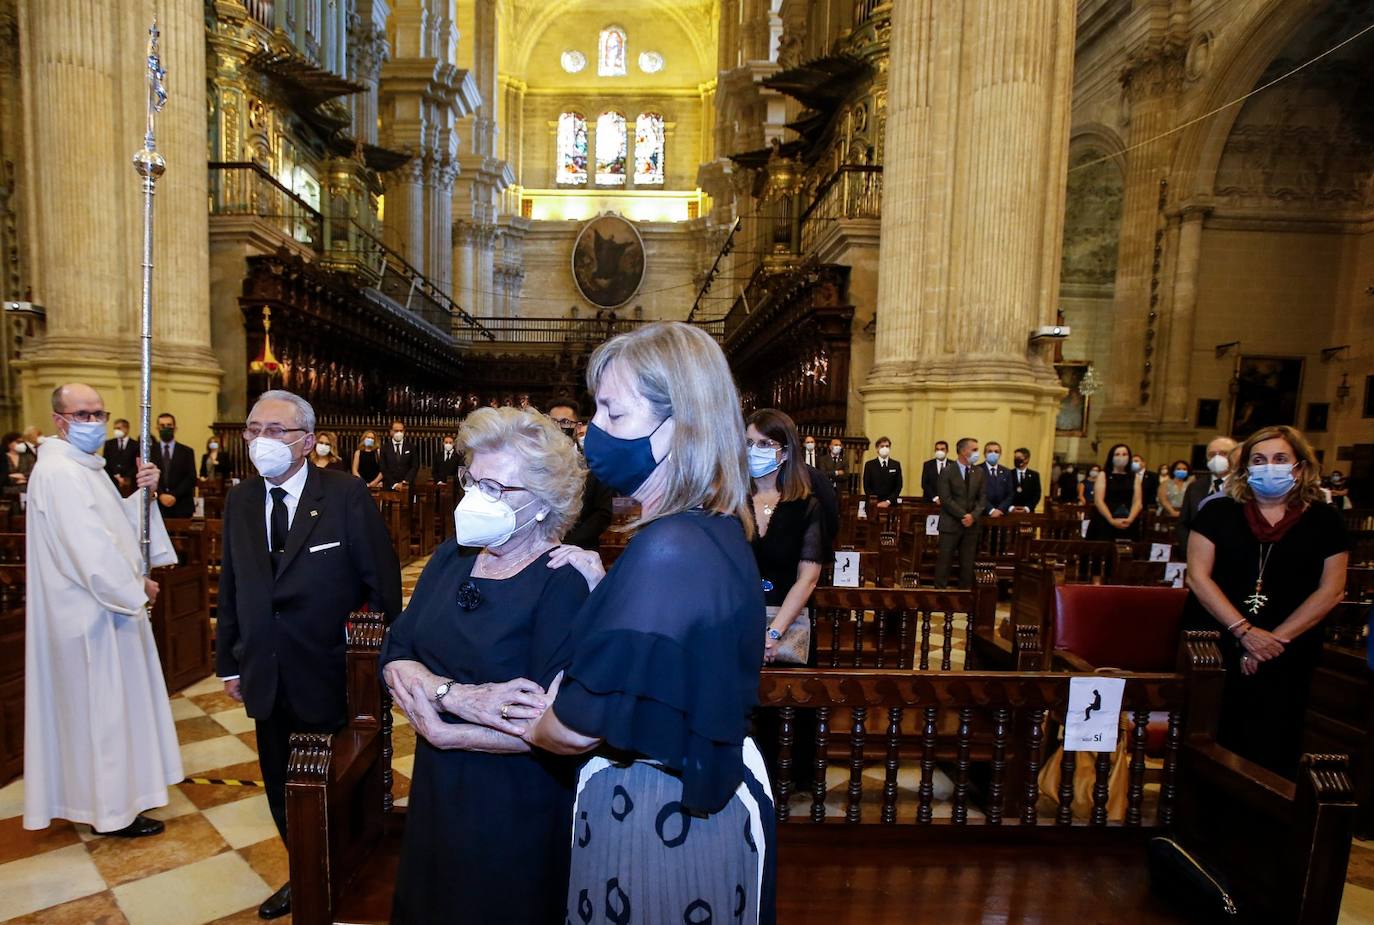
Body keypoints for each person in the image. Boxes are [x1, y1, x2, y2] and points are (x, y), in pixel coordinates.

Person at [525, 321, 775, 925]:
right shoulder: (706, 527)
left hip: (658, 824)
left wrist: (507, 717)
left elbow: (576, 728)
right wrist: (611, 585)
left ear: (681, 426)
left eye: (614, 414)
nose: (595, 434)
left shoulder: (671, 549)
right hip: (688, 805)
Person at [381, 407, 594, 924]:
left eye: (496, 488)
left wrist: (447, 731)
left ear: (543, 503)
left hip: (513, 802)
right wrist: (454, 697)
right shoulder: (450, 558)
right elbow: (394, 655)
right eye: (472, 481)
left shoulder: (560, 581)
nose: (476, 498)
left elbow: (549, 724)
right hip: (436, 791)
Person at [216, 390, 401, 919]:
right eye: (253, 430)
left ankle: (343, 865)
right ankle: (304, 873)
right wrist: (231, 662)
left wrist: (376, 661)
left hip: (332, 669)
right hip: (266, 670)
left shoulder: (344, 495)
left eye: (276, 431)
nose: (261, 441)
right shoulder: (241, 500)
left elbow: (381, 582)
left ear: (306, 441)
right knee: (281, 782)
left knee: (338, 782)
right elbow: (235, 585)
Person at [24, 384, 181, 837]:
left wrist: (143, 495)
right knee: (102, 714)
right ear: (59, 419)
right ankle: (109, 813)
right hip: (88, 617)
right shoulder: (59, 473)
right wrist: (135, 586)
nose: (93, 423)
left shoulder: (83, 469)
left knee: (111, 711)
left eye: (98, 414)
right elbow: (89, 552)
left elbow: (112, 526)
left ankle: (115, 802)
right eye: (83, 414)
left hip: (103, 612)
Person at [1183, 425, 1348, 778]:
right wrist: (1245, 632)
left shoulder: (1326, 520)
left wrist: (1272, 641)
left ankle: (1267, 821)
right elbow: (1198, 576)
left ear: (1300, 468)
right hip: (1217, 640)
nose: (1268, 466)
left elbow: (1331, 589)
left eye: (1279, 459)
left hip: (1288, 646)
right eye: (1259, 460)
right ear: (1245, 469)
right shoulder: (1218, 512)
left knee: (1275, 735)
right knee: (1212, 729)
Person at [747, 409, 824, 665]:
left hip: (789, 629)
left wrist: (772, 634)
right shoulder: (729, 503)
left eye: (764, 444)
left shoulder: (806, 506)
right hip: (736, 625)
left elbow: (808, 578)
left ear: (786, 452)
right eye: (748, 443)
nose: (753, 450)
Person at [548, 399, 614, 551]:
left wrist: (567, 544)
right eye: (552, 422)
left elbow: (604, 512)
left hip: (580, 549)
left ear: (577, 427)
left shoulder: (594, 464)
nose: (558, 427)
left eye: (564, 422)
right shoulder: (533, 461)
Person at [935, 437, 987, 589]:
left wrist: (973, 516)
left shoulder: (979, 472)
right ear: (964, 451)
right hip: (951, 524)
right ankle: (939, 594)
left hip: (971, 526)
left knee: (968, 563)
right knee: (944, 561)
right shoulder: (947, 471)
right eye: (975, 449)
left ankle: (965, 595)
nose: (977, 453)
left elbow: (982, 498)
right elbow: (946, 498)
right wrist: (963, 515)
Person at [1177, 436, 1237, 550]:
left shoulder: (1244, 486)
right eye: (1212, 454)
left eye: (1224, 453)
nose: (1217, 458)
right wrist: (1188, 552)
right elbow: (1183, 524)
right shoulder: (1195, 486)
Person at [1087, 444, 1142, 540]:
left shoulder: (1134, 477)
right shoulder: (1103, 475)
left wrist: (1130, 519)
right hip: (1105, 519)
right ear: (1111, 457)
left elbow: (1137, 502)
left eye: (1124, 454)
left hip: (1128, 520)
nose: (1121, 457)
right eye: (1117, 454)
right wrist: (1111, 520)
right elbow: (1099, 501)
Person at [149, 412, 195, 518]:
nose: (166, 428)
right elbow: (148, 476)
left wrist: (174, 495)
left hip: (181, 504)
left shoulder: (187, 451)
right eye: (162, 426)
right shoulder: (150, 452)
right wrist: (160, 495)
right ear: (157, 428)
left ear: (175, 428)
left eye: (169, 425)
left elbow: (191, 477)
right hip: (157, 505)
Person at [862, 436, 903, 508]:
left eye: (887, 446)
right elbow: (866, 486)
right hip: (873, 504)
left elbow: (898, 486)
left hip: (891, 505)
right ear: (877, 448)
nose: (885, 448)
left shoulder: (896, 465)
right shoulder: (869, 465)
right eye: (882, 446)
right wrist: (876, 502)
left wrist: (888, 501)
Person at [380, 419, 419, 490]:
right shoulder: (384, 448)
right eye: (396, 431)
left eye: (401, 431)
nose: (399, 433)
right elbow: (383, 468)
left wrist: (405, 482)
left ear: (404, 431)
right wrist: (394, 484)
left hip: (407, 486)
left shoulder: (411, 447)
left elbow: (415, 466)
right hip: (390, 487)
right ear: (391, 431)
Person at [102, 418, 138, 491]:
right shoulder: (109, 444)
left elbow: (136, 464)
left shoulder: (135, 445)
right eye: (114, 428)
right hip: (112, 482)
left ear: (126, 429)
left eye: (118, 428)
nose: (116, 431)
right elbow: (105, 462)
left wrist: (126, 478)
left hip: (130, 483)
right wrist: (116, 476)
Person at [981, 440, 1015, 517]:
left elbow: (1010, 494)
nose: (993, 454)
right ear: (984, 454)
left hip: (1002, 514)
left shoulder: (1006, 472)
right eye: (990, 451)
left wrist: (1000, 509)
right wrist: (991, 510)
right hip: (983, 514)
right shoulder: (977, 470)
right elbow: (977, 494)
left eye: (996, 451)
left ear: (1000, 454)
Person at [1009, 447, 1042, 513]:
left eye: (1019, 457)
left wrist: (1027, 508)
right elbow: (1004, 493)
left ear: (1027, 459)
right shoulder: (1008, 474)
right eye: (1015, 457)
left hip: (1028, 512)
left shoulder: (1034, 475)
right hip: (1010, 512)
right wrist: (1011, 508)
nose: (1016, 459)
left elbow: (1037, 494)